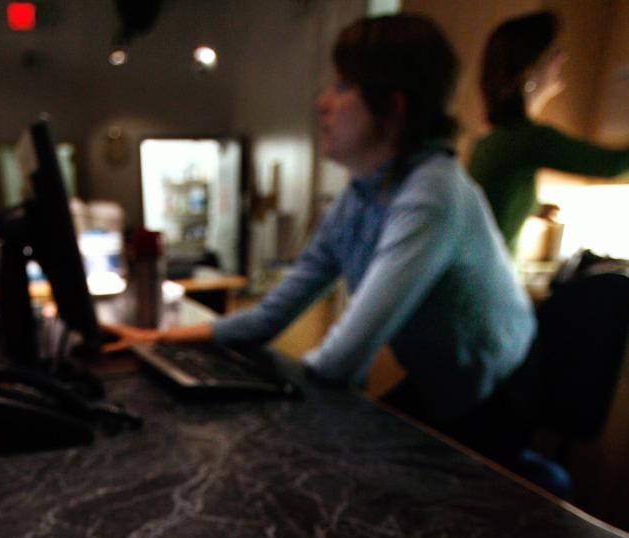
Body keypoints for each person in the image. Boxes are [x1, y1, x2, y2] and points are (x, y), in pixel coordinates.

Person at [110, 14, 536, 462]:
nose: (323, 103)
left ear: (393, 107)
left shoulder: (433, 193)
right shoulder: (361, 194)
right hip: (443, 381)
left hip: (499, 393)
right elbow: (271, 316)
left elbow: (344, 357)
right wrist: (156, 339)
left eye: (344, 86)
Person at [469, 10, 629, 252]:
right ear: (529, 70)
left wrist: (537, 209)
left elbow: (500, 201)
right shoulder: (527, 138)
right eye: (554, 51)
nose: (562, 57)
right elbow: (612, 165)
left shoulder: (497, 137)